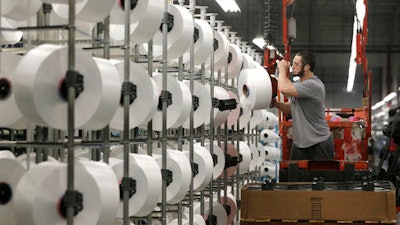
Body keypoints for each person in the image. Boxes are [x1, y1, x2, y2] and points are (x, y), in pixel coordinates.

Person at [270, 50, 334, 160]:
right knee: (295, 176)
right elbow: (293, 108)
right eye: (293, 63)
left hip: (318, 143)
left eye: (296, 64)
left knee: (320, 176)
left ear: (306, 67)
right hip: (300, 144)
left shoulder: (313, 85)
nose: (293, 67)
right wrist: (276, 104)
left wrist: (281, 70)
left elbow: (284, 89)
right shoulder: (299, 84)